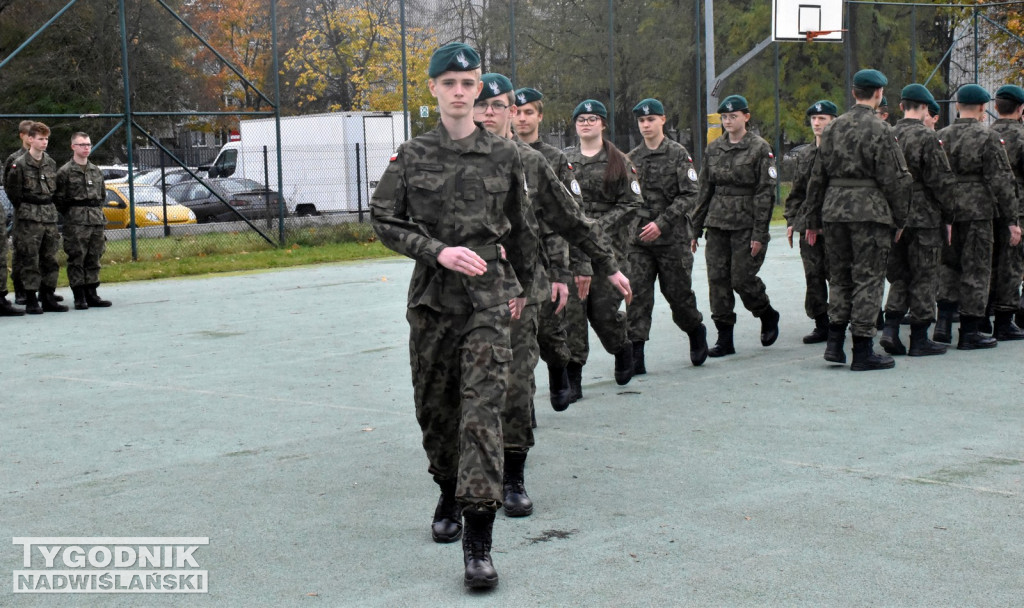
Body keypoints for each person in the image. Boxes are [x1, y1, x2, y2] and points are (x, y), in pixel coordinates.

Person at [369, 42, 539, 590]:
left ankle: (479, 544)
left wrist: (527, 290)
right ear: (435, 90)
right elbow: (383, 220)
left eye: (469, 83)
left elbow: (523, 226)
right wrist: (434, 250)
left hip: (490, 299)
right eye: (451, 84)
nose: (462, 93)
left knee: (481, 414)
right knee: (437, 411)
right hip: (434, 300)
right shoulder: (412, 155)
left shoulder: (505, 155)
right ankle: (446, 487)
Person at [474, 73, 630, 520]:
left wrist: (606, 264)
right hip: (465, 293)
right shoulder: (448, 159)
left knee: (517, 382)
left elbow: (572, 220)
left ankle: (513, 477)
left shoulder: (532, 162)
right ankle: (460, 482)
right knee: (470, 387)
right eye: (482, 104)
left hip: (522, 289)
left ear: (511, 112)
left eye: (499, 104)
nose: (490, 111)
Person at [802, 69, 911, 370]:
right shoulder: (880, 129)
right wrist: (900, 219)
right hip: (869, 212)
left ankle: (834, 343)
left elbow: (817, 176)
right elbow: (895, 180)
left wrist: (812, 218)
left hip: (834, 211)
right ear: (878, 94)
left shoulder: (833, 128)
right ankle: (863, 348)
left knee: (838, 277)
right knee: (868, 277)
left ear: (853, 93)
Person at [688, 94, 780, 356]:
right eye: (725, 117)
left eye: (733, 116)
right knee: (717, 280)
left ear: (746, 117)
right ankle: (724, 338)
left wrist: (760, 233)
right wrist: (694, 229)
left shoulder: (759, 148)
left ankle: (766, 313)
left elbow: (765, 192)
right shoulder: (714, 149)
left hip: (745, 224)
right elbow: (704, 189)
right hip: (717, 224)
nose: (728, 121)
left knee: (741, 279)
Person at [564, 99, 642, 392]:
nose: (586, 123)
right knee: (572, 315)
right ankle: (574, 379)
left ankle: (621, 348)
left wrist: (596, 227)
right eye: (581, 119)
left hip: (609, 249)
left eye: (592, 118)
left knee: (603, 314)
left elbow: (632, 203)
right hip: (573, 248)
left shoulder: (620, 160)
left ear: (603, 124)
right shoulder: (565, 159)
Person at [934, 84, 1020, 349]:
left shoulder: (942, 135)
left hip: (948, 209)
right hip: (978, 210)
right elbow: (1001, 180)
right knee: (976, 267)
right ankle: (970, 330)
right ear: (983, 108)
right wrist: (1011, 220)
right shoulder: (988, 138)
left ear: (957, 106)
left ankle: (943, 324)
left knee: (948, 266)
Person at [512, 86, 582, 409]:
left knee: (550, 333)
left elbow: (570, 217)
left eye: (529, 112)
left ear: (540, 116)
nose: (522, 118)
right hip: (512, 260)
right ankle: (524, 413)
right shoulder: (501, 154)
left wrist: (564, 269)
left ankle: (558, 367)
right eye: (517, 111)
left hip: (547, 258)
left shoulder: (553, 159)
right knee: (518, 341)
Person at [626, 98, 708, 370]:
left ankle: (695, 330)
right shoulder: (632, 159)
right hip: (639, 240)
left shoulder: (677, 154)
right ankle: (636, 354)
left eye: (651, 119)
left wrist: (662, 223)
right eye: (641, 121)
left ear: (662, 120)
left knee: (678, 295)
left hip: (672, 238)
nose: (646, 125)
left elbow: (690, 194)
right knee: (637, 296)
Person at [881, 84, 955, 356]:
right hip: (924, 217)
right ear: (925, 108)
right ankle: (920, 337)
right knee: (925, 275)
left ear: (902, 106)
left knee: (899, 275)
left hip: (892, 215)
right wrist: (949, 216)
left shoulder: (886, 134)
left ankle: (890, 329)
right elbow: (942, 181)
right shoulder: (927, 138)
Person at [785, 100, 838, 344]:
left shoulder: (840, 151)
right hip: (808, 225)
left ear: (833, 121)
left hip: (835, 221)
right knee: (813, 274)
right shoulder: (805, 154)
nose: (817, 123)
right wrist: (791, 220)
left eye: (823, 119)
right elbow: (797, 191)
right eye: (814, 119)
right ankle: (821, 322)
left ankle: (840, 320)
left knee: (837, 273)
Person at [3, 122, 67, 314]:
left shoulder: (50, 163)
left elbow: (53, 189)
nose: (44, 142)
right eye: (40, 139)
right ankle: (30, 298)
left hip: (48, 215)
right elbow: (12, 191)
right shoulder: (19, 164)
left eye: (46, 139)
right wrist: (26, 208)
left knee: (50, 258)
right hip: (28, 217)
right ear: (30, 139)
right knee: (30, 258)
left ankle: (48, 296)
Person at [54, 132, 112, 310]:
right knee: (77, 257)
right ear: (73, 147)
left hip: (95, 219)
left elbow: (101, 195)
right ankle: (79, 296)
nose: (86, 147)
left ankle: (92, 293)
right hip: (76, 220)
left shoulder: (96, 171)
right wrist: (74, 212)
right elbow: (59, 199)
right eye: (81, 144)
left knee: (94, 256)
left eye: (88, 144)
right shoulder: (65, 171)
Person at [985, 84, 1024, 340]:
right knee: (1012, 263)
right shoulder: (1021, 137)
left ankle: (981, 315)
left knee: (988, 261)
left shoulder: (985, 133)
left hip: (987, 206)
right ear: (1021, 108)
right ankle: (1004, 319)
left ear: (995, 107)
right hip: (1018, 206)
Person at [4, 120, 34, 305]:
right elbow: (9, 187)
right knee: (22, 251)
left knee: (41, 251)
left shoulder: (42, 158)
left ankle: (41, 289)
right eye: (29, 134)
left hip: (41, 213)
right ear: (22, 135)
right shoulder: (14, 159)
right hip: (23, 211)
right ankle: (20, 290)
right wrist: (21, 205)